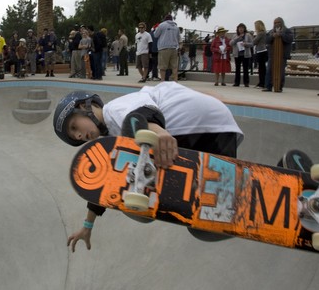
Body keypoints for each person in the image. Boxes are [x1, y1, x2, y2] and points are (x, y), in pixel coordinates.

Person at [52, 81, 244, 252]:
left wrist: (158, 132)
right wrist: (88, 225)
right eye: (73, 136)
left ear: (84, 106)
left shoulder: (115, 110)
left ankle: (147, 181)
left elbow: (139, 116)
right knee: (205, 227)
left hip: (200, 126)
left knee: (127, 161)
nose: (77, 136)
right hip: (213, 134)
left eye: (74, 126)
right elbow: (104, 186)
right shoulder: (112, 139)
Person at [263, 17, 293, 92]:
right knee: (269, 70)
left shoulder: (287, 31)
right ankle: (268, 86)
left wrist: (281, 35)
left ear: (282, 23)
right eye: (275, 23)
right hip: (272, 55)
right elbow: (266, 40)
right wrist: (272, 36)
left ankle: (279, 86)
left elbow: (290, 39)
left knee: (281, 71)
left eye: (278, 22)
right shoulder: (270, 32)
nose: (277, 24)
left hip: (282, 55)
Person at [153, 14, 181, 81]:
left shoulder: (162, 25)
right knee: (174, 67)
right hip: (174, 48)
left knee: (163, 67)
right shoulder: (176, 27)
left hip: (164, 48)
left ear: (165, 19)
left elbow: (155, 35)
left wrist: (156, 29)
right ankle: (175, 81)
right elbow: (178, 38)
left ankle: (162, 81)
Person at [230, 23, 254, 87]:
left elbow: (252, 44)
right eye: (239, 28)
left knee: (245, 69)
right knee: (237, 69)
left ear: (244, 29)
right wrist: (238, 38)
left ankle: (246, 82)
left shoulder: (248, 35)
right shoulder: (235, 35)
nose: (241, 29)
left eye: (242, 28)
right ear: (237, 29)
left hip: (245, 54)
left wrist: (246, 44)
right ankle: (236, 82)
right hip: (237, 54)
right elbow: (231, 43)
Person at [253, 20, 268, 89]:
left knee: (261, 68)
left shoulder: (260, 33)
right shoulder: (264, 33)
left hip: (261, 51)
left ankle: (262, 83)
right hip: (262, 50)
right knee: (262, 68)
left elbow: (254, 41)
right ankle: (261, 82)